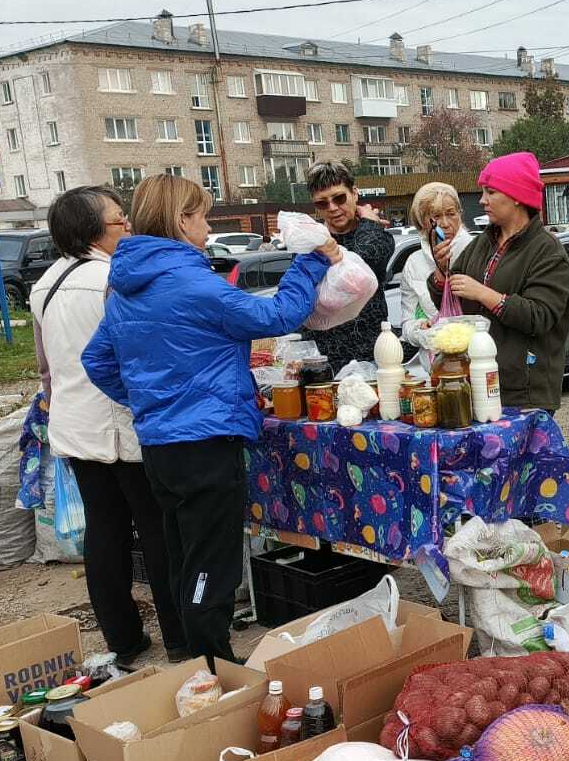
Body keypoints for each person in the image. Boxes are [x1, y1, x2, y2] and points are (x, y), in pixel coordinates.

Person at [83, 175, 341, 668]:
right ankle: (214, 665)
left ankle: (191, 655)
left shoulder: (126, 288)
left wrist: (150, 399)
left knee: (184, 551)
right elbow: (275, 317)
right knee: (212, 560)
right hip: (205, 440)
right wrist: (311, 262)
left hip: (161, 444)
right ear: (182, 221)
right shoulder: (191, 283)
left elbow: (97, 360)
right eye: (202, 216)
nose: (207, 226)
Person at [31, 186, 182, 665]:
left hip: (74, 426)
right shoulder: (114, 279)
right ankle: (179, 636)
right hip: (122, 424)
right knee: (157, 530)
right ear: (93, 231)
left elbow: (46, 367)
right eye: (120, 220)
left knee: (105, 530)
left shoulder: (45, 284)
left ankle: (123, 637)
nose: (129, 226)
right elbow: (136, 353)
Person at [447, 152, 569, 412]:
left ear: (517, 196)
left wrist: (484, 294)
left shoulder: (547, 251)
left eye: (491, 192)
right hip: (478, 381)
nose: (482, 200)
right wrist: (441, 276)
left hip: (524, 393)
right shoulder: (483, 242)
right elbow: (453, 295)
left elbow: (539, 316)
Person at [300, 161, 396, 371]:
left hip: (372, 358)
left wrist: (369, 224)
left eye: (339, 198)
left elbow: (362, 262)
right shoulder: (310, 242)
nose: (333, 208)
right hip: (325, 363)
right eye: (322, 203)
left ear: (354, 193)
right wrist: (370, 222)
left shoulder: (376, 236)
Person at [399, 180, 473, 376]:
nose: (445, 224)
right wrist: (423, 330)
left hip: (476, 364)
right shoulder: (413, 264)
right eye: (436, 217)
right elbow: (407, 324)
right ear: (422, 221)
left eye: (451, 213)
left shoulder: (476, 251)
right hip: (435, 371)